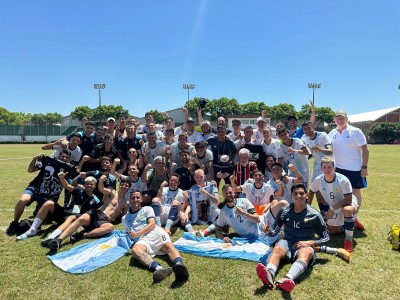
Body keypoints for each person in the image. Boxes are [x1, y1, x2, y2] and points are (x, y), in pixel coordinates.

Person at [256, 183, 330, 292]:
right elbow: (274, 231)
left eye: (301, 193)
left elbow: (326, 237)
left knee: (306, 252)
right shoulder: (284, 211)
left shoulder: (315, 214)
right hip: (287, 243)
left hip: (304, 245)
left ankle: (287, 279)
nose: (298, 196)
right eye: (295, 193)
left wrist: (310, 242)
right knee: (277, 248)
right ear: (291, 196)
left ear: (306, 196)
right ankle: (269, 275)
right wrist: (268, 232)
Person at [46, 174, 129, 251]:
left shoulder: (126, 202)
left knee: (110, 227)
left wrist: (121, 212)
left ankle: (81, 235)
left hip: (105, 220)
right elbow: (101, 189)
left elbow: (123, 216)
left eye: (126, 185)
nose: (124, 186)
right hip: (97, 213)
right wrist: (100, 181)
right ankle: (58, 240)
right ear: (120, 185)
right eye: (122, 184)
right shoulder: (112, 192)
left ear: (129, 187)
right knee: (81, 219)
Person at [122, 191, 189, 283]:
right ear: (129, 200)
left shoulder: (147, 209)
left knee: (168, 246)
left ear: (141, 199)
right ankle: (158, 268)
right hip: (143, 239)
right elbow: (128, 233)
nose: (135, 200)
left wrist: (136, 234)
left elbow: (152, 224)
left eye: (137, 197)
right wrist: (133, 237)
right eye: (133, 198)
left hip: (155, 232)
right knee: (135, 250)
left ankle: (179, 265)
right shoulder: (125, 218)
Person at [6, 152, 78, 236]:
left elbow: (73, 185)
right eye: (63, 156)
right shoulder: (48, 161)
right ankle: (14, 223)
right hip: (35, 188)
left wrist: (77, 171)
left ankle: (37, 211)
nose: (64, 158)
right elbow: (30, 170)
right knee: (22, 200)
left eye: (67, 157)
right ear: (58, 156)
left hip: (50, 196)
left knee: (41, 217)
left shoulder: (68, 169)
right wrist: (34, 159)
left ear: (69, 159)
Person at [16, 175, 101, 241]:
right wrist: (61, 177)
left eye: (91, 184)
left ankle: (52, 237)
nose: (89, 185)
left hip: (76, 218)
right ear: (84, 184)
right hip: (66, 212)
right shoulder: (79, 190)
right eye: (87, 184)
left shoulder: (96, 200)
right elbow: (67, 186)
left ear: (95, 186)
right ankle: (32, 230)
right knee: (49, 203)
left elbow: (96, 214)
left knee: (72, 217)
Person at [328, 110, 369, 231]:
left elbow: (365, 150)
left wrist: (364, 167)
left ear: (347, 119)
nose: (340, 120)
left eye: (342, 118)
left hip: (355, 168)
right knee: (341, 194)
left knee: (355, 194)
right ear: (334, 120)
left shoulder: (355, 131)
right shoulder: (332, 133)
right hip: (339, 168)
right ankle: (342, 219)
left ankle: (354, 218)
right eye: (338, 118)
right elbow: (328, 148)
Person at [308, 157, 358, 252]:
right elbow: (311, 192)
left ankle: (348, 239)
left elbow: (348, 199)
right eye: (324, 167)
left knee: (347, 210)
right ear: (321, 169)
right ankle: (350, 222)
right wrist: (307, 208)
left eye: (329, 167)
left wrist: (332, 208)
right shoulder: (318, 180)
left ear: (334, 168)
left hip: (347, 202)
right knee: (332, 232)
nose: (327, 170)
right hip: (334, 206)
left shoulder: (343, 180)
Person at [214, 184, 287, 244]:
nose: (228, 195)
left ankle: (289, 228)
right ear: (223, 195)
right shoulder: (223, 212)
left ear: (234, 192)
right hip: (259, 235)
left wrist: (243, 213)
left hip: (263, 221)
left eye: (230, 192)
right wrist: (222, 238)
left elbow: (257, 219)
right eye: (226, 193)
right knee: (283, 237)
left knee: (283, 203)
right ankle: (285, 231)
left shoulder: (244, 201)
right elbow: (218, 228)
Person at [184, 169, 220, 235]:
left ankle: (207, 230)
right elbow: (191, 204)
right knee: (184, 217)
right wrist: (186, 213)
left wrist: (206, 193)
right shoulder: (193, 188)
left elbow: (217, 202)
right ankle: (191, 230)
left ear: (204, 177)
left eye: (201, 176)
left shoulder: (211, 186)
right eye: (197, 177)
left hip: (211, 211)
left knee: (222, 217)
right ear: (194, 178)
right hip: (197, 215)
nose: (199, 179)